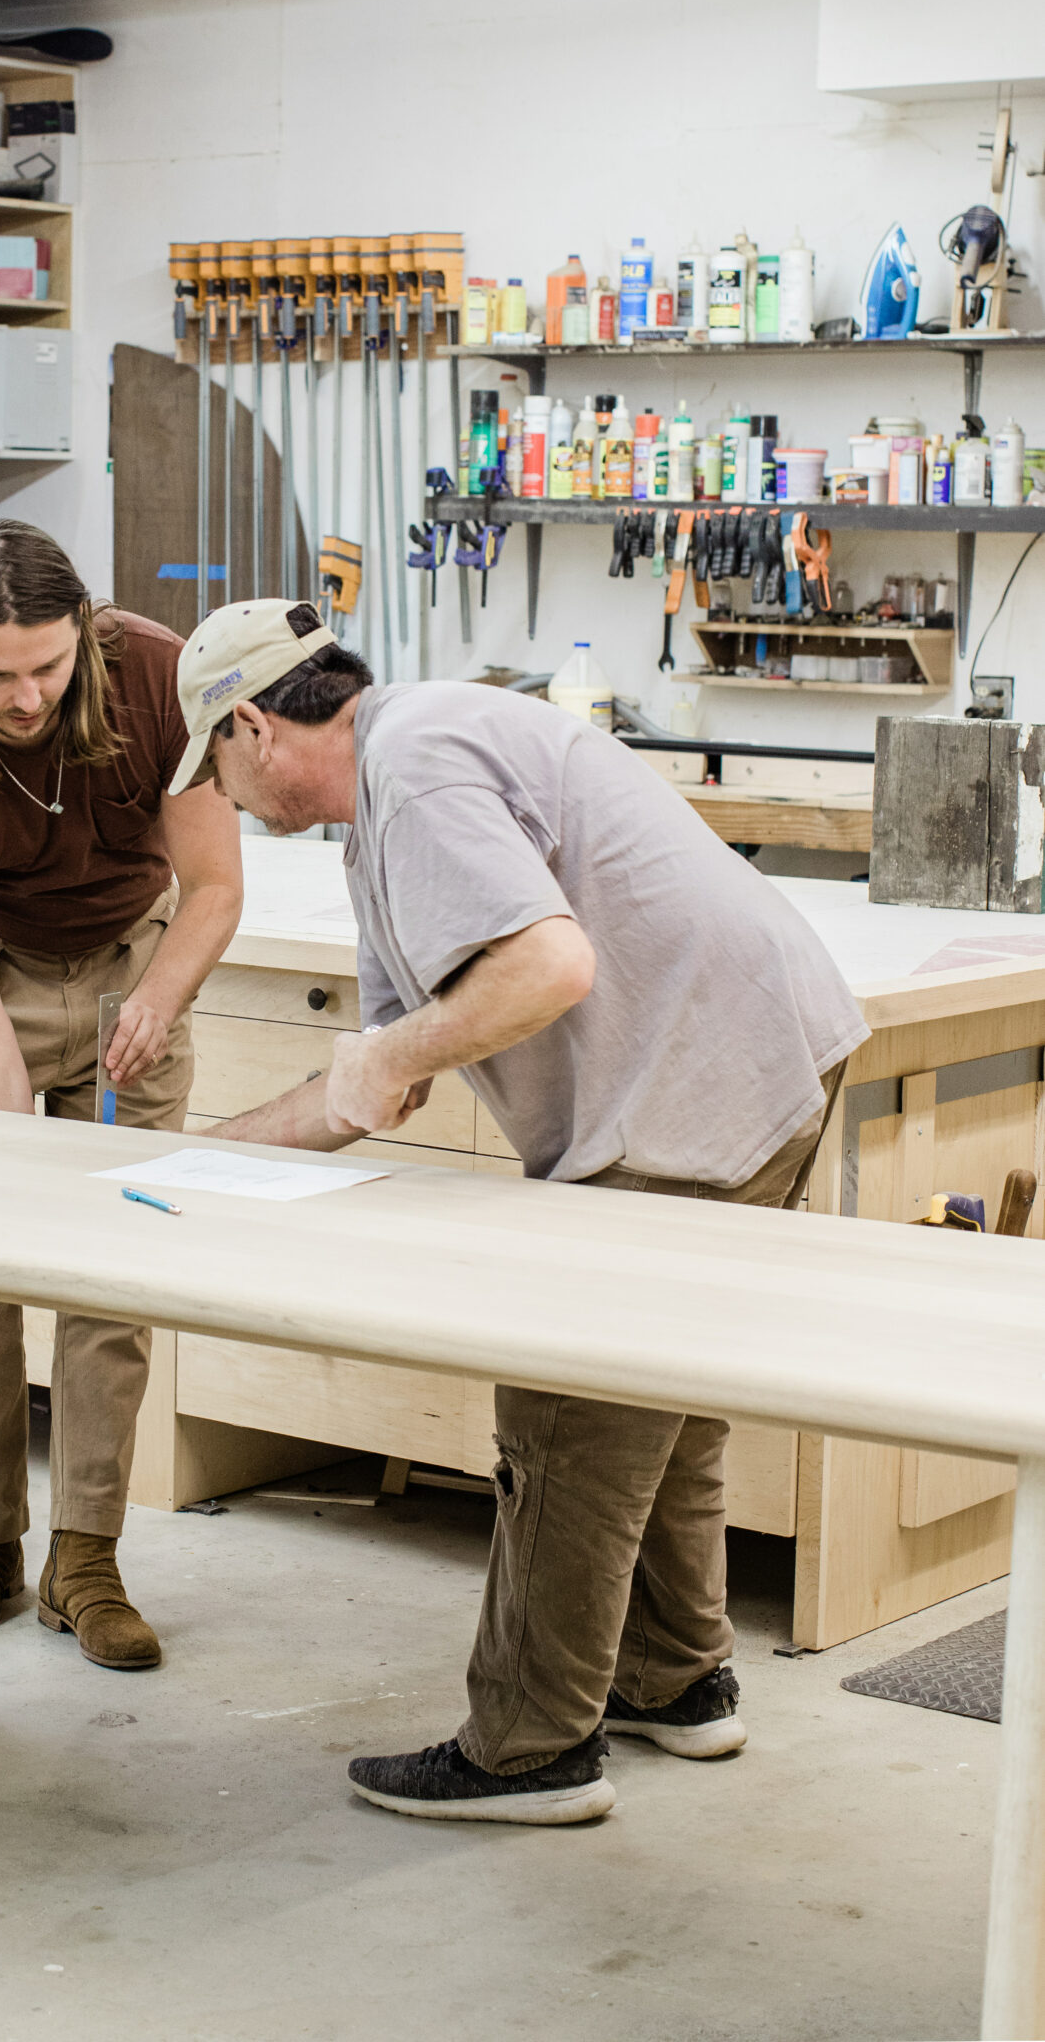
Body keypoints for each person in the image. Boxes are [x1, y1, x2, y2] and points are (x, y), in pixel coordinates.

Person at [168, 596, 866, 1824]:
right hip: (766, 1055)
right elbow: (384, 1071)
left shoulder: (419, 764)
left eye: (213, 766)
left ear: (255, 726)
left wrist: (381, 1066)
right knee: (664, 1395)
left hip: (696, 1079)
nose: (220, 797)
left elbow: (548, 967)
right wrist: (210, 1153)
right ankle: (675, 1679)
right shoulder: (392, 793)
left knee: (565, 1409)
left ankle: (531, 1748)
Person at [0, 523, 242, 1671]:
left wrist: (159, 998)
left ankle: (87, 1558)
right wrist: (11, 1152)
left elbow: (216, 885)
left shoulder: (154, 683)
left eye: (47, 667)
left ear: (83, 630)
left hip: (137, 957)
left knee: (110, 1275)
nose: (26, 697)